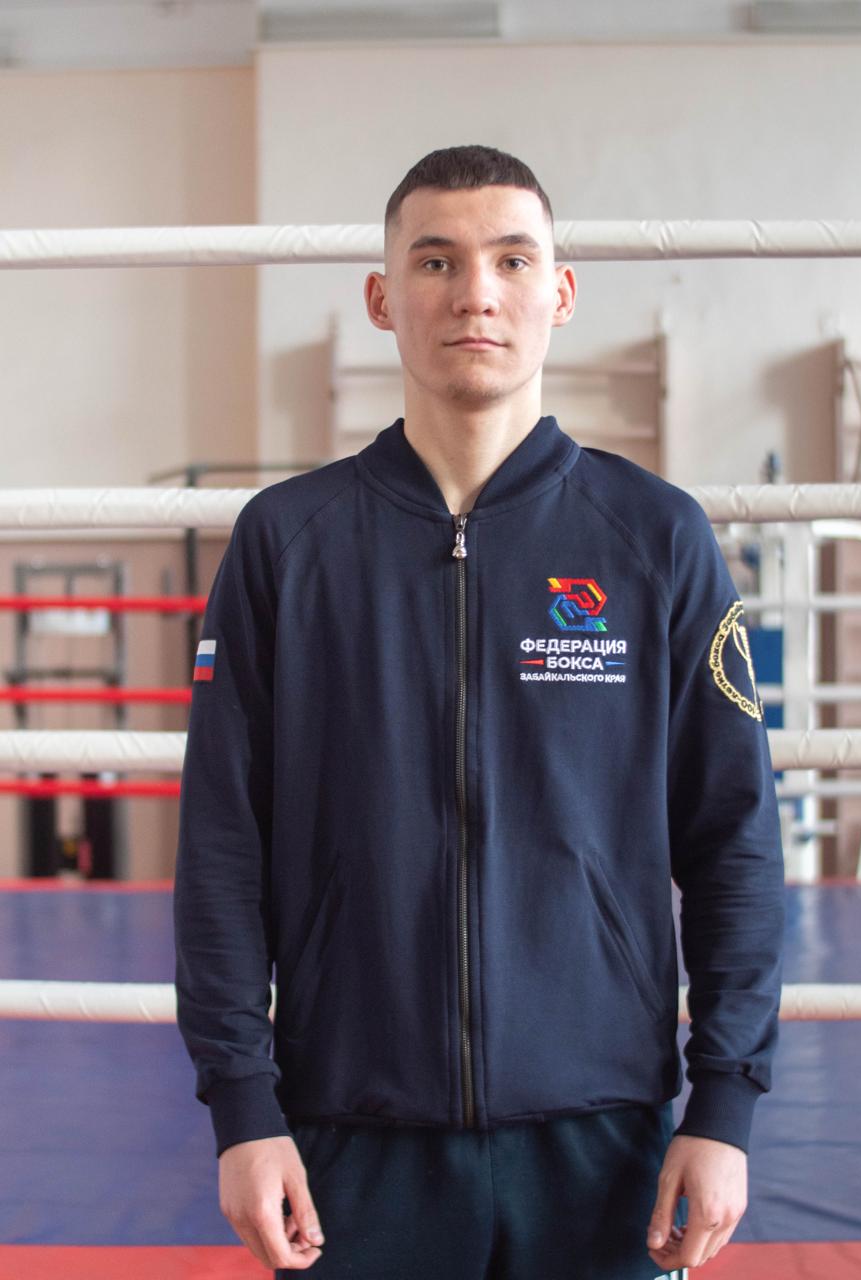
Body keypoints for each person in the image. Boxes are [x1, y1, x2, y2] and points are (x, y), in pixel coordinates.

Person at [174, 144, 785, 1279]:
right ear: (382, 298)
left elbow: (734, 836)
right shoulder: (287, 544)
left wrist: (726, 1103)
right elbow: (221, 844)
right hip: (348, 1136)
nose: (476, 294)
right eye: (436, 261)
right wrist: (243, 1107)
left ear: (561, 291)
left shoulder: (655, 538)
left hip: (604, 1139)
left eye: (512, 260)